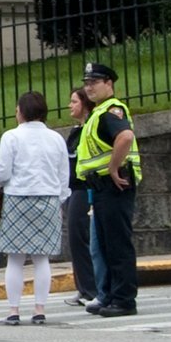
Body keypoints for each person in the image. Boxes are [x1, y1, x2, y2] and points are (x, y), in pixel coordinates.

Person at [0, 91, 69, 325]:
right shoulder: (56, 138)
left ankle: (13, 310)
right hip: (48, 198)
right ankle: (39, 310)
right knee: (42, 259)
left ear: (21, 111)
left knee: (15, 259)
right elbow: (63, 175)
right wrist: (60, 199)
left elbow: (5, 172)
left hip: (18, 199)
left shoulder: (11, 137)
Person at [78, 62, 141, 318]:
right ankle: (114, 296)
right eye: (87, 82)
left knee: (117, 246)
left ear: (109, 84)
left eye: (95, 82)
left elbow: (124, 137)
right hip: (103, 187)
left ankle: (125, 300)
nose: (89, 87)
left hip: (115, 185)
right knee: (106, 245)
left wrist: (114, 167)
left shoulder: (110, 110)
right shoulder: (98, 112)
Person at [60, 87, 100, 308]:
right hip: (74, 188)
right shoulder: (76, 131)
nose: (70, 106)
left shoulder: (91, 127)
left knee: (83, 237)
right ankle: (83, 287)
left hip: (85, 187)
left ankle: (91, 288)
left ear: (84, 103)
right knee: (75, 239)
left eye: (74, 101)